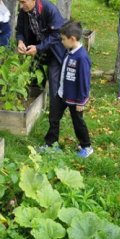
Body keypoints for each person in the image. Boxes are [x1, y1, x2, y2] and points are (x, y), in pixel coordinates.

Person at [15, 0, 66, 144]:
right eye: (20, 2)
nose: (21, 6)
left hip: (54, 53)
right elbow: (20, 30)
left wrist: (39, 47)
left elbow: (57, 34)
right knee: (34, 81)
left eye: (23, 2)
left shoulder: (49, 9)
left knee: (54, 87)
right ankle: (34, 112)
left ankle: (53, 129)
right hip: (37, 51)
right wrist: (21, 41)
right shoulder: (24, 13)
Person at [43, 21, 93, 158]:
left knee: (78, 122)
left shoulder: (81, 58)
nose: (62, 42)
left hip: (75, 98)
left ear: (72, 39)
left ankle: (86, 146)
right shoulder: (69, 51)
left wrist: (81, 101)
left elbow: (84, 81)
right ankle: (51, 144)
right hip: (62, 94)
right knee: (53, 117)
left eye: (63, 39)